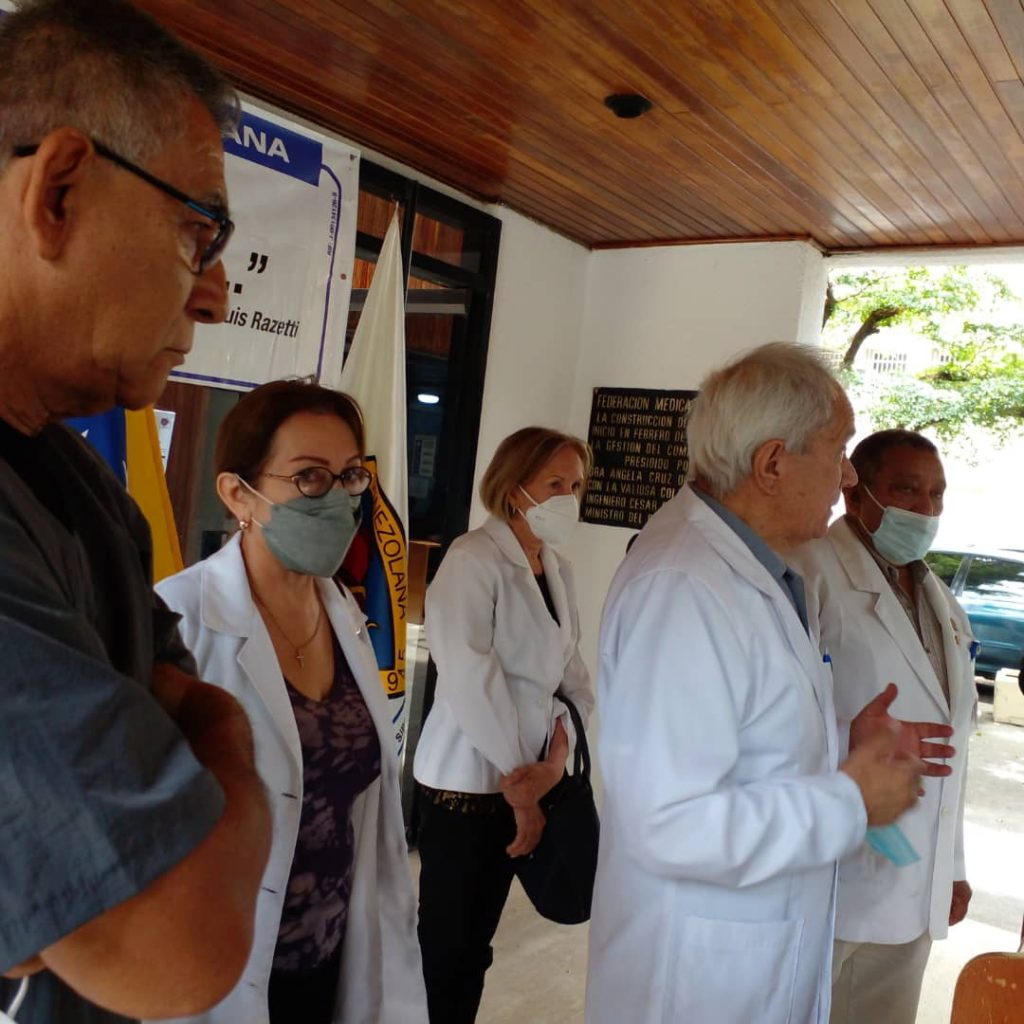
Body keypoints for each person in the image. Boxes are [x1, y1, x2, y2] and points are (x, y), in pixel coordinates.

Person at [0, 3, 271, 1023]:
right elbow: (177, 943)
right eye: (197, 231)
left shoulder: (80, 485)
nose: (215, 295)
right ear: (59, 191)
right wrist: (221, 727)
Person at [585, 343, 956, 1024]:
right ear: (773, 463)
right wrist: (850, 800)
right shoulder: (683, 586)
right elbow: (670, 822)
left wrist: (842, 740)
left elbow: (743, 733)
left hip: (747, 954)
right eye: (839, 450)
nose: (848, 475)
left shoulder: (759, 566)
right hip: (695, 980)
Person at [155, 381, 428, 1024]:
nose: (336, 498)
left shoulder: (345, 616)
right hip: (221, 968)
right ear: (237, 494)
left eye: (349, 476)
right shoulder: (178, 617)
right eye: (308, 477)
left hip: (331, 961)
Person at [789, 429, 976, 1024]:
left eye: (936, 494)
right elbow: (777, 714)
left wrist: (952, 868)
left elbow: (955, 748)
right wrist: (850, 740)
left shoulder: (941, 600)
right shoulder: (810, 571)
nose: (925, 508)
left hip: (917, 879)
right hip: (834, 869)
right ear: (856, 494)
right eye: (906, 489)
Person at [413, 426, 596, 1024]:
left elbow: (571, 679)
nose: (568, 497)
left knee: (477, 946)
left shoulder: (557, 569)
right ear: (515, 489)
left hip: (533, 777)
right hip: (467, 784)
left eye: (576, 485)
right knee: (448, 946)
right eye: (555, 483)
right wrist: (525, 785)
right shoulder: (472, 560)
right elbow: (471, 680)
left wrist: (555, 762)